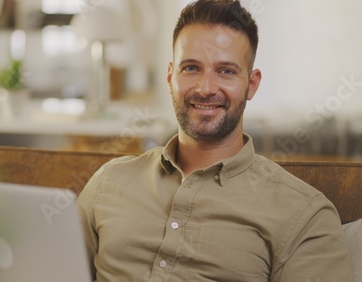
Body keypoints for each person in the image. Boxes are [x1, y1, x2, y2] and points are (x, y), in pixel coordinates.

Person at [77, 0, 353, 281]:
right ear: (171, 76)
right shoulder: (108, 182)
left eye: (226, 71)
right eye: (191, 68)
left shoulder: (304, 215)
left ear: (252, 85)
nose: (205, 88)